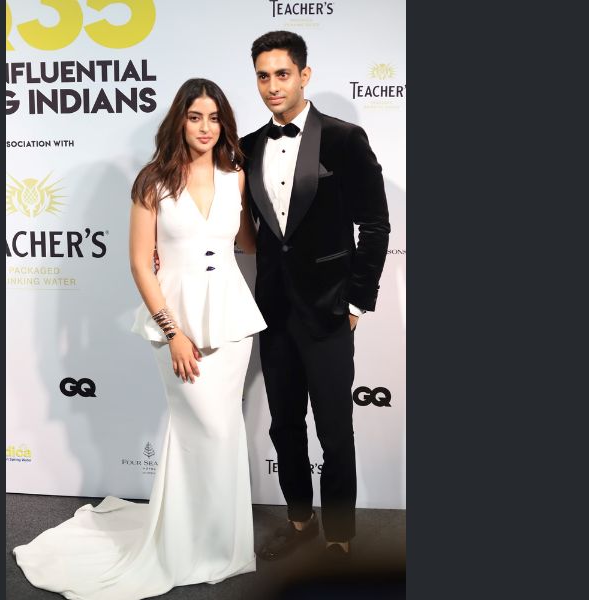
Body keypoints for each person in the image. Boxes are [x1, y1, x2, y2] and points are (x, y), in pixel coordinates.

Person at [13, 78, 266, 600]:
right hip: (176, 319)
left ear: (224, 124)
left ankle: (220, 543)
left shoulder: (235, 175)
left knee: (224, 431)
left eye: (213, 117)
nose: (205, 127)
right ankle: (184, 543)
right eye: (195, 117)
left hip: (231, 318)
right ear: (179, 121)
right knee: (199, 428)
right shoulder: (153, 181)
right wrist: (173, 333)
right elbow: (138, 263)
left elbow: (246, 243)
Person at [239, 31, 390, 563]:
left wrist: (357, 302)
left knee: (334, 428)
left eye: (282, 74)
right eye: (263, 76)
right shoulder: (248, 147)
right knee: (284, 425)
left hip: (329, 309)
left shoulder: (345, 139)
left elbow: (375, 224)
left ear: (304, 75)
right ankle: (299, 519)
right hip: (273, 310)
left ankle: (340, 531)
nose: (272, 86)